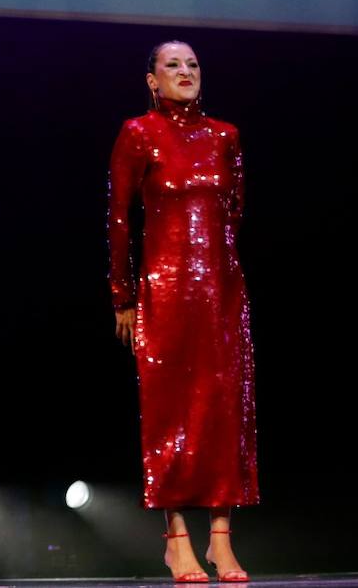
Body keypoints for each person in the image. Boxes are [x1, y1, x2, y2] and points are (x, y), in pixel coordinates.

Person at [107, 41, 257, 584]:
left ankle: (222, 540)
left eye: (193, 64)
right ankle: (176, 540)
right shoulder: (138, 132)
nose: (185, 72)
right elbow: (120, 219)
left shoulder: (225, 136)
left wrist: (217, 270)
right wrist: (123, 295)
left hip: (220, 290)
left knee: (223, 408)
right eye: (173, 65)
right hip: (163, 291)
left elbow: (234, 210)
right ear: (152, 79)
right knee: (170, 413)